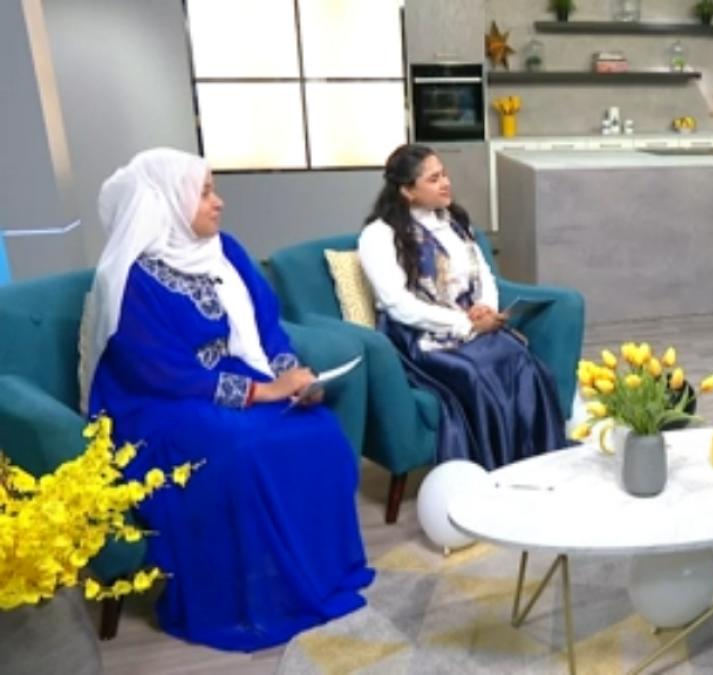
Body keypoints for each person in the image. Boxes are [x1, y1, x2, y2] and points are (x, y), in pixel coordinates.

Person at [83, 148, 373, 652]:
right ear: (167, 202)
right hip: (157, 405)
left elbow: (267, 327)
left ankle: (316, 573)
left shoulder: (226, 251)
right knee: (243, 448)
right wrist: (262, 392)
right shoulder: (130, 279)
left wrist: (292, 376)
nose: (219, 202)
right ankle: (247, 600)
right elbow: (160, 372)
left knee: (319, 428)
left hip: (229, 381)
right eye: (204, 193)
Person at [358, 144, 567, 469]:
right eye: (433, 179)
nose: (446, 183)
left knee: (523, 361)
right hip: (418, 337)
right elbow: (397, 304)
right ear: (407, 191)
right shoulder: (379, 236)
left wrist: (485, 307)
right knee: (475, 374)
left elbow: (484, 273)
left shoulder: (454, 221)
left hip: (472, 324)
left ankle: (536, 466)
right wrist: (465, 324)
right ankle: (493, 472)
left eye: (444, 174)